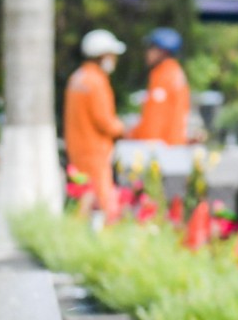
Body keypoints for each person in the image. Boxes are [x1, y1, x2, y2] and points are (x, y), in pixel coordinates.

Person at [65, 28, 128, 217]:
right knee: (101, 204)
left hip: (77, 150)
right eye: (112, 55)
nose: (114, 60)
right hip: (95, 153)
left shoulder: (77, 78)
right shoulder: (96, 82)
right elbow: (105, 121)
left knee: (82, 198)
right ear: (103, 56)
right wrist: (123, 128)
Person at [130, 27, 191, 145]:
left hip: (162, 149)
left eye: (150, 48)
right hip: (170, 146)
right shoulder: (171, 72)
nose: (146, 53)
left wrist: (144, 144)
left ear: (163, 52)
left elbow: (155, 120)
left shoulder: (165, 76)